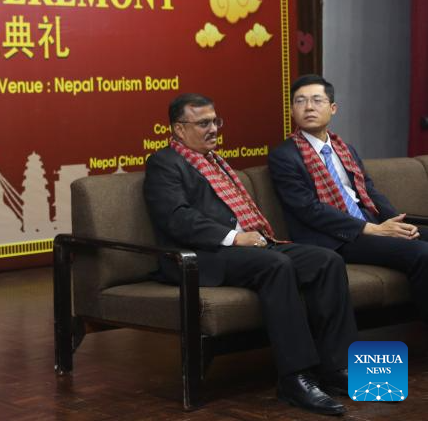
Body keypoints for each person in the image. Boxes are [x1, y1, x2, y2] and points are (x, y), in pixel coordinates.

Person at [144, 93, 355, 416]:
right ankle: (295, 378)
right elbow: (177, 217)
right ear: (179, 129)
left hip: (252, 244)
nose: (213, 129)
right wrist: (235, 237)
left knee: (327, 261)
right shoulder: (164, 163)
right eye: (203, 123)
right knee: (276, 265)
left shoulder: (214, 161)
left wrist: (249, 237)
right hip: (202, 255)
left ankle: (337, 367)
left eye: (215, 121)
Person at [269, 74, 428, 320]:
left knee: (417, 236)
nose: (309, 107)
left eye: (317, 100)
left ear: (332, 108)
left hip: (368, 225)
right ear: (291, 111)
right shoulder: (284, 156)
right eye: (300, 101)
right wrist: (372, 229)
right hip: (335, 239)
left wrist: (397, 222)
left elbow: (369, 190)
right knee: (421, 253)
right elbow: (309, 209)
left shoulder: (343, 149)